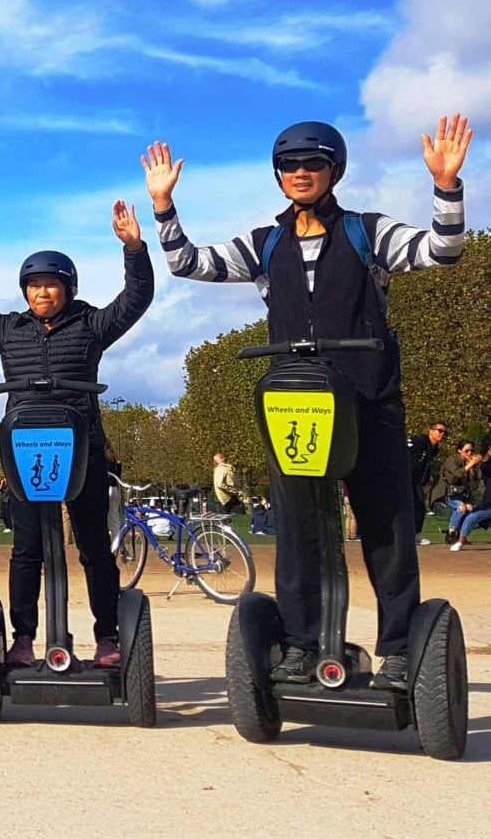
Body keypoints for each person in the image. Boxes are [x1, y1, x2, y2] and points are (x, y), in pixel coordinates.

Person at [146, 113, 472, 690]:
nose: (301, 173)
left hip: (368, 401)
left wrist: (446, 185)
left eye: (313, 164)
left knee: (388, 528)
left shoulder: (366, 232)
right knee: (299, 533)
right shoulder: (265, 242)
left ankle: (398, 649)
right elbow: (187, 263)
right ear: (279, 176)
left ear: (333, 171)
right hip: (295, 402)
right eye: (290, 166)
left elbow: (443, 251)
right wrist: (164, 208)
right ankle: (300, 644)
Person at [0, 197, 152, 668]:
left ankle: (107, 636)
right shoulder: (8, 330)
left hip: (83, 448)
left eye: (51, 286)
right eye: (34, 286)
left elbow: (135, 300)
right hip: (25, 449)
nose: (42, 294)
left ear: (67, 289)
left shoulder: (91, 325)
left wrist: (134, 248)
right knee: (27, 549)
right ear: (25, 291)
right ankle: (23, 637)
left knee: (95, 546)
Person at [408, 421, 448, 541]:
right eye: (440, 431)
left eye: (445, 432)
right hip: (404, 479)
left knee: (419, 505)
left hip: (416, 482)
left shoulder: (434, 449)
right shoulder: (419, 441)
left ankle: (416, 534)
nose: (442, 434)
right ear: (431, 431)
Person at [212, 452, 243, 516]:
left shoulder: (220, 469)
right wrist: (236, 492)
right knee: (234, 519)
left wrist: (232, 491)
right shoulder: (231, 469)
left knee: (224, 521)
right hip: (234, 497)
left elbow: (220, 484)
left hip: (222, 498)